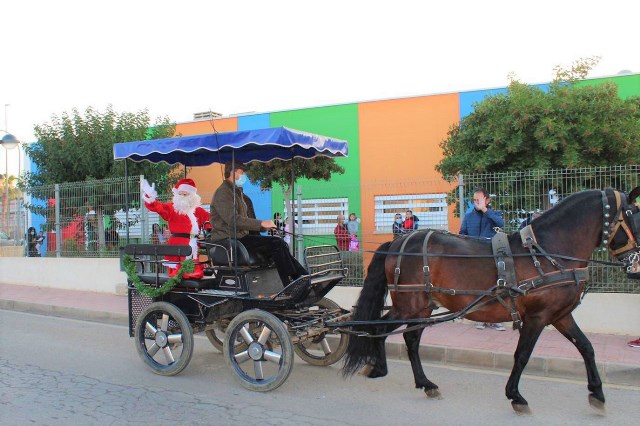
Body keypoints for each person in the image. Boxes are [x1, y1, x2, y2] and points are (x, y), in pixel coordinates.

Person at [209, 161, 307, 285]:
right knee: (276, 243)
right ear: (233, 173)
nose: (244, 176)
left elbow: (246, 220)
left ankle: (296, 278)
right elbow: (233, 220)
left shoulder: (236, 193)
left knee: (279, 244)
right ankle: (293, 280)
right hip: (229, 240)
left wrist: (263, 228)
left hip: (240, 238)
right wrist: (262, 223)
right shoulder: (223, 193)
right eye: (241, 172)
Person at [141, 177, 211, 279]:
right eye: (180, 194)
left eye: (185, 194)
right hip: (176, 247)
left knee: (193, 274)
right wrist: (150, 196)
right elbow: (157, 207)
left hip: (193, 247)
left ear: (192, 196)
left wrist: (208, 232)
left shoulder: (199, 211)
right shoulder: (172, 208)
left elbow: (211, 222)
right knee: (176, 276)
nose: (182, 196)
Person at [460, 187, 506, 331]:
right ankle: (480, 318)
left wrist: (486, 210)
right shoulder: (468, 217)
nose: (476, 202)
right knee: (477, 289)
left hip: (491, 258)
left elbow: (501, 224)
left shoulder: (494, 214)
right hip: (475, 257)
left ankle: (495, 320)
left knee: (495, 289)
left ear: (487, 200)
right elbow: (462, 234)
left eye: (479, 199)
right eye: (474, 200)